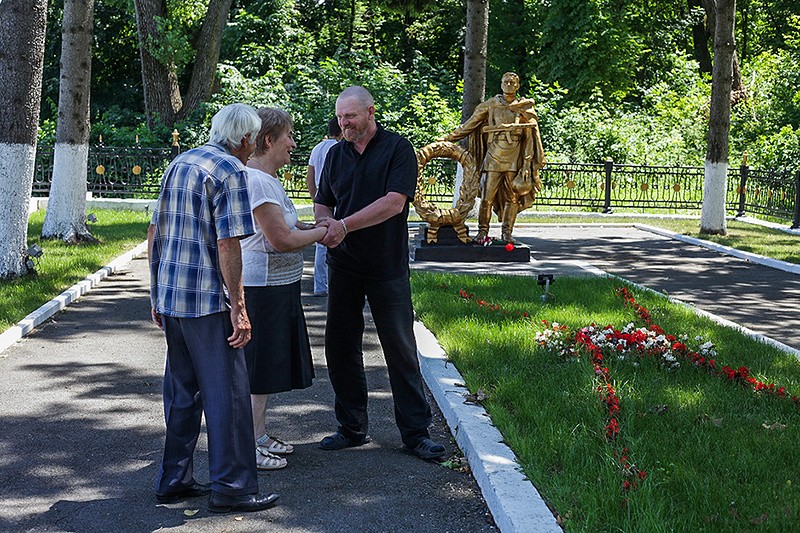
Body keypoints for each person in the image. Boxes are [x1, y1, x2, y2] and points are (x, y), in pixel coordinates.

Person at [148, 103, 279, 514]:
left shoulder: (181, 163)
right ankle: (233, 488)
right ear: (246, 139)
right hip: (207, 303)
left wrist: (156, 293)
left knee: (183, 394)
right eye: (253, 140)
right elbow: (228, 243)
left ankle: (174, 479)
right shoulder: (231, 171)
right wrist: (239, 307)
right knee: (230, 397)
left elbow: (156, 230)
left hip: (173, 297)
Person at [313, 86, 447, 460]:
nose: (344, 124)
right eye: (340, 117)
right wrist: (325, 224)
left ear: (371, 112)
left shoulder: (398, 149)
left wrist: (343, 225)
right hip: (344, 264)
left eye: (350, 116)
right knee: (340, 347)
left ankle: (416, 434)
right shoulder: (335, 154)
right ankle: (351, 427)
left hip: (386, 265)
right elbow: (323, 202)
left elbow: (393, 204)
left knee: (400, 348)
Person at [242, 107, 328, 471]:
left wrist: (309, 227)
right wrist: (324, 233)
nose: (293, 144)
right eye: (288, 136)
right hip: (261, 288)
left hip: (276, 286)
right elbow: (280, 240)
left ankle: (258, 434)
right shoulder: (258, 181)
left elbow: (285, 226)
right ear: (268, 140)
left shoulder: (268, 179)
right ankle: (247, 445)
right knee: (258, 369)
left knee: (266, 369)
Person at [442, 72, 546, 243]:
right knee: (487, 197)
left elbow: (530, 138)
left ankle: (507, 233)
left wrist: (527, 163)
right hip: (493, 157)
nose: (509, 85)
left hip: (514, 159)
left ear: (518, 86)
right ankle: (482, 232)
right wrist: (448, 138)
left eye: (512, 82)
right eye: (506, 82)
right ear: (501, 84)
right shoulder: (492, 105)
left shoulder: (523, 107)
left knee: (512, 197)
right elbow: (470, 124)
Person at [305, 118, 343, 297]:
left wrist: (316, 200)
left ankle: (320, 285)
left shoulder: (317, 148)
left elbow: (310, 177)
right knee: (340, 237)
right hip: (337, 196)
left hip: (321, 196)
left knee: (322, 240)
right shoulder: (340, 148)